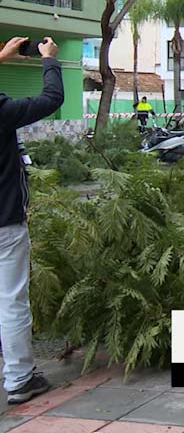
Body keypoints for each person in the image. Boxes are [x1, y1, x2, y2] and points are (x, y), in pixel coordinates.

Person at [0, 36, 61, 404]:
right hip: (4, 221)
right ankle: (20, 379)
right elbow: (52, 100)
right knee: (11, 300)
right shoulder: (3, 110)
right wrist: (49, 60)